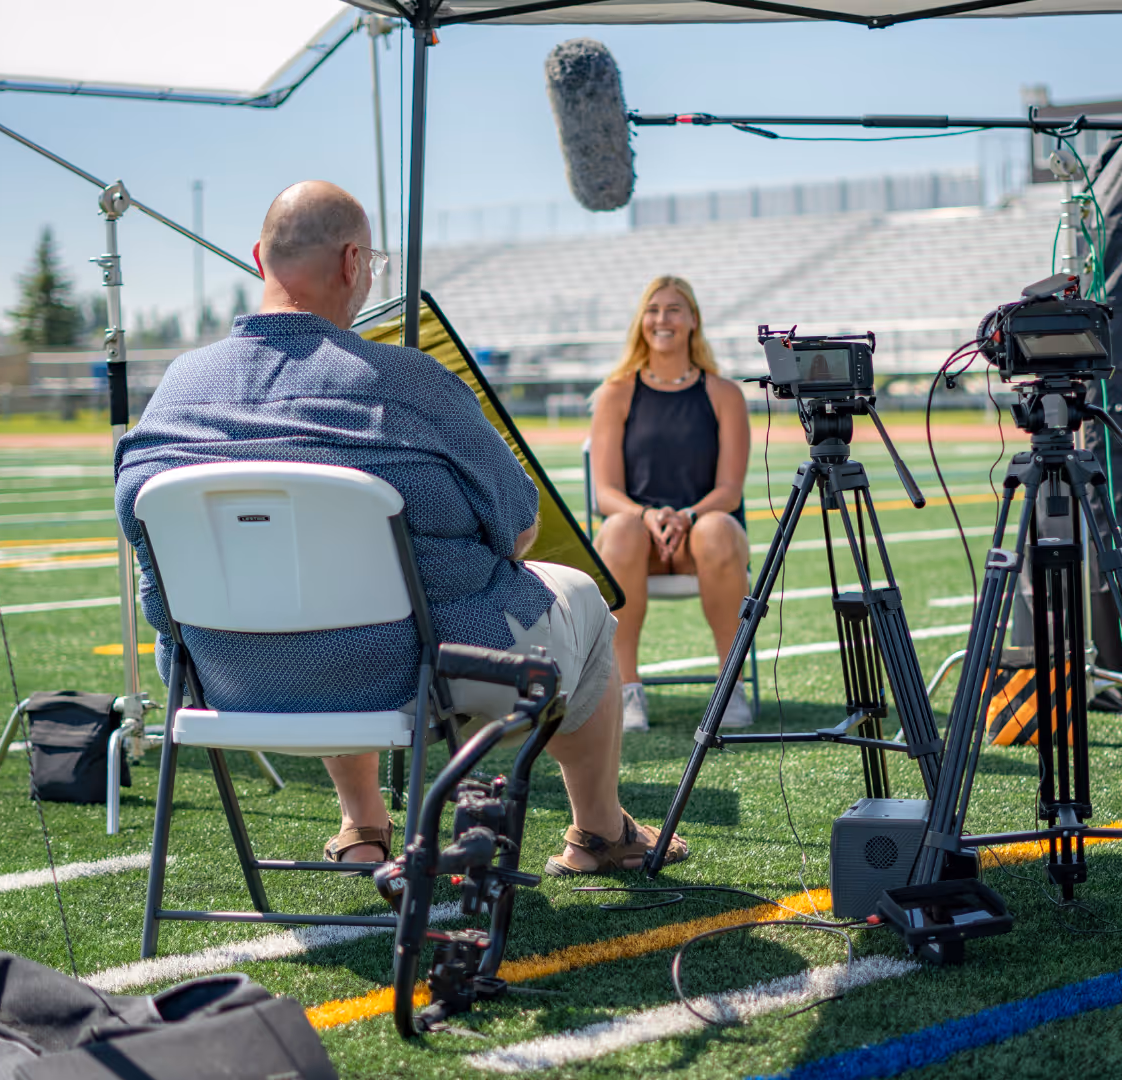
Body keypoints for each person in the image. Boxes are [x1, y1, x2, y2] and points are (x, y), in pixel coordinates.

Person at [115, 181, 686, 876]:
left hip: (227, 678)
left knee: (305, 598)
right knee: (584, 599)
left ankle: (362, 822)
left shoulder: (177, 387)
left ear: (261, 258)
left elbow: (143, 540)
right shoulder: (408, 381)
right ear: (354, 262)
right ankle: (598, 831)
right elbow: (517, 524)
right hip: (416, 676)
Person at [589, 276, 752, 733]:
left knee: (718, 527)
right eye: (654, 309)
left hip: (700, 541)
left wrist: (688, 515)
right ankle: (626, 690)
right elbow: (607, 493)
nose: (663, 319)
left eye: (675, 309)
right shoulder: (616, 393)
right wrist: (647, 515)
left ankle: (730, 687)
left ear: (693, 321)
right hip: (636, 543)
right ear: (642, 321)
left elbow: (729, 490)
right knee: (620, 527)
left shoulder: (724, 394)